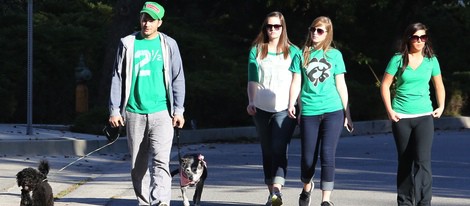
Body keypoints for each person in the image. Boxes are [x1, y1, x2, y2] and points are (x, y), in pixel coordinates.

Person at [108, 2, 186, 206]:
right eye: (144, 18)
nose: (146, 23)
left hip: (162, 113)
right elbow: (117, 76)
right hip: (134, 111)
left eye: (151, 19)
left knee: (161, 163)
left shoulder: (169, 45)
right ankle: (144, 202)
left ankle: (160, 203)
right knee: (138, 165)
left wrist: (178, 110)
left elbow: (178, 78)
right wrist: (115, 110)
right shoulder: (127, 43)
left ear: (160, 22)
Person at [288, 16, 353, 206]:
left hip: (333, 110)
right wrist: (293, 104)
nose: (315, 33)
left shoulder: (335, 55)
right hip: (310, 110)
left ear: (327, 34)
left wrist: (347, 113)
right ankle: (307, 187)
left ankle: (326, 200)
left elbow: (341, 85)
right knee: (308, 158)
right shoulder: (301, 54)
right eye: (313, 29)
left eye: (320, 31)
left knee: (327, 154)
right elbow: (296, 82)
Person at [380, 22, 445, 206]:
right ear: (409, 38)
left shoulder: (432, 60)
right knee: (405, 162)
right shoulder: (398, 59)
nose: (419, 41)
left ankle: (424, 203)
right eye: (415, 37)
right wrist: (389, 110)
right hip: (401, 117)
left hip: (424, 116)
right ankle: (405, 202)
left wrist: (441, 106)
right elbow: (385, 85)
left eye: (423, 37)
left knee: (423, 162)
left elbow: (439, 85)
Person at [246, 11, 300, 206]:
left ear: (283, 28)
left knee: (279, 148)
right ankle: (272, 194)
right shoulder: (257, 50)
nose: (272, 30)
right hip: (260, 107)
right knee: (267, 150)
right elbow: (252, 78)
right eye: (269, 26)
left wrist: (295, 104)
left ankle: (278, 189)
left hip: (284, 109)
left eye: (276, 26)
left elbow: (297, 80)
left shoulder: (294, 51)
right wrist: (251, 101)